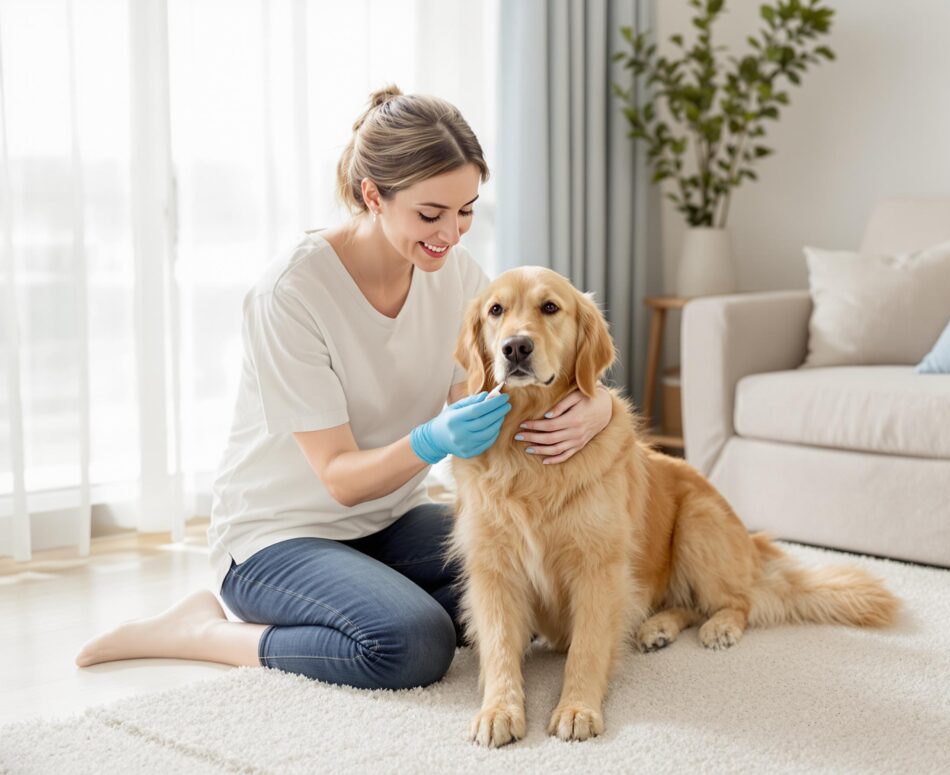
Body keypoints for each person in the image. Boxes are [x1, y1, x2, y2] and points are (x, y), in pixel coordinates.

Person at [74, 86, 614, 690]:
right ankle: (204, 633)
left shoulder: (457, 276)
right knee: (411, 643)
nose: (452, 233)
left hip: (390, 520)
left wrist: (597, 406)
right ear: (372, 195)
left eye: (466, 210)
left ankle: (370, 595)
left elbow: (491, 399)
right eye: (430, 214)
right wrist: (432, 439)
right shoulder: (292, 294)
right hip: (279, 536)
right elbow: (338, 478)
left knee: (529, 593)